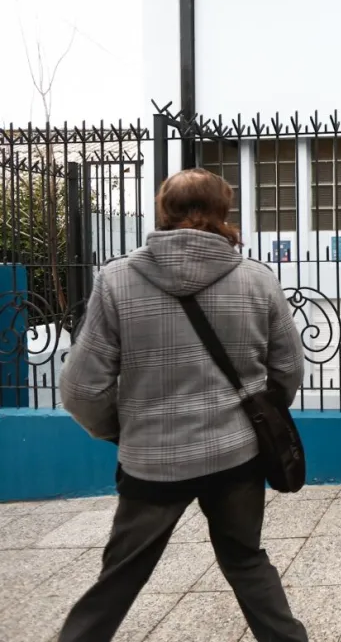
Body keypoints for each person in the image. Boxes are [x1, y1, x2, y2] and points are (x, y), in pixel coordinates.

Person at [56, 169, 308, 642]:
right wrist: (255, 413)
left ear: (163, 212)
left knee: (121, 576)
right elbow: (289, 369)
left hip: (153, 459)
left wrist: (125, 429)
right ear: (224, 212)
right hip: (237, 453)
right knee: (246, 559)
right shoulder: (257, 280)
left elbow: (83, 389)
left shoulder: (116, 281)